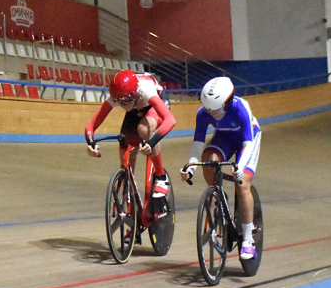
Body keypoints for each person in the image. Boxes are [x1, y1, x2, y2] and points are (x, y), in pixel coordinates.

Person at [179, 76, 262, 260]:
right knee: (208, 160)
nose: (212, 114)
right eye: (209, 110)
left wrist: (240, 168)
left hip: (247, 139)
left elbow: (248, 144)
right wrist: (191, 166)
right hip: (224, 137)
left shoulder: (240, 107)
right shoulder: (203, 113)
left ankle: (248, 239)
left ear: (228, 101)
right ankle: (219, 194)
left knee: (242, 183)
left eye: (216, 111)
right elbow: (198, 144)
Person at [85, 70, 176, 218]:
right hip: (135, 107)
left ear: (135, 94)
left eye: (124, 102)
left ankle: (160, 176)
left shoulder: (147, 91)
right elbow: (90, 126)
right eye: (119, 103)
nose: (121, 106)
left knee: (143, 129)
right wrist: (91, 143)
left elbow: (170, 120)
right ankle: (131, 202)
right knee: (125, 143)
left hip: (153, 104)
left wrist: (152, 142)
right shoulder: (120, 96)